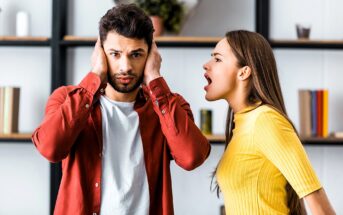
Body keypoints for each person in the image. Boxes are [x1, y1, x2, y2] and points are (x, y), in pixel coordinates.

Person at [32, 4, 210, 215]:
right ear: (100, 53)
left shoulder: (168, 105)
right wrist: (95, 76)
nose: (125, 66)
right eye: (115, 54)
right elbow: (50, 149)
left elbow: (191, 157)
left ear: (151, 55)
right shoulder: (66, 99)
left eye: (136, 54)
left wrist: (155, 78)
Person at [203, 30, 335, 215]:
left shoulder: (265, 120)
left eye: (217, 59)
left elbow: (319, 204)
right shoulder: (242, 124)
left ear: (244, 72)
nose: (206, 65)